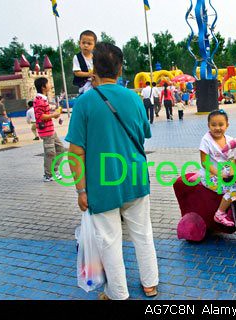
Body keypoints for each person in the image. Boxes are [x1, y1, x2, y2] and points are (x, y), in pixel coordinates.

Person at [66, 42, 159, 300]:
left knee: (109, 239)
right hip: (136, 176)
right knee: (143, 233)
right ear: (120, 68)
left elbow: (75, 152)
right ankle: (150, 283)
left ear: (94, 67)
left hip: (102, 182)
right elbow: (144, 135)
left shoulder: (84, 103)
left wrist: (81, 189)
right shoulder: (134, 98)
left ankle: (118, 293)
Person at [199, 109, 236, 227]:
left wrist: (232, 172)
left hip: (226, 173)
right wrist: (218, 174)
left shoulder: (230, 140)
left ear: (227, 125)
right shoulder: (206, 140)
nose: (217, 128)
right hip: (210, 175)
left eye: (221, 125)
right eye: (213, 125)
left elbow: (233, 158)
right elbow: (204, 162)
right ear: (208, 125)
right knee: (234, 189)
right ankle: (220, 214)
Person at [33, 78, 64, 182]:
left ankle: (54, 170)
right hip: (46, 132)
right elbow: (40, 116)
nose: (50, 85)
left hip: (50, 130)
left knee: (60, 149)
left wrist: (54, 114)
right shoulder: (39, 100)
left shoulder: (43, 99)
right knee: (50, 153)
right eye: (48, 83)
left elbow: (45, 114)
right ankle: (48, 174)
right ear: (43, 87)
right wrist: (53, 115)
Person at [73, 30, 97, 94]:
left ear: (94, 45)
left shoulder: (96, 57)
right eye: (83, 43)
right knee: (89, 92)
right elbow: (77, 72)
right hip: (84, 84)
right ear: (79, 43)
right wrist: (89, 74)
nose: (86, 45)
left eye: (89, 43)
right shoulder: (77, 57)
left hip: (96, 82)